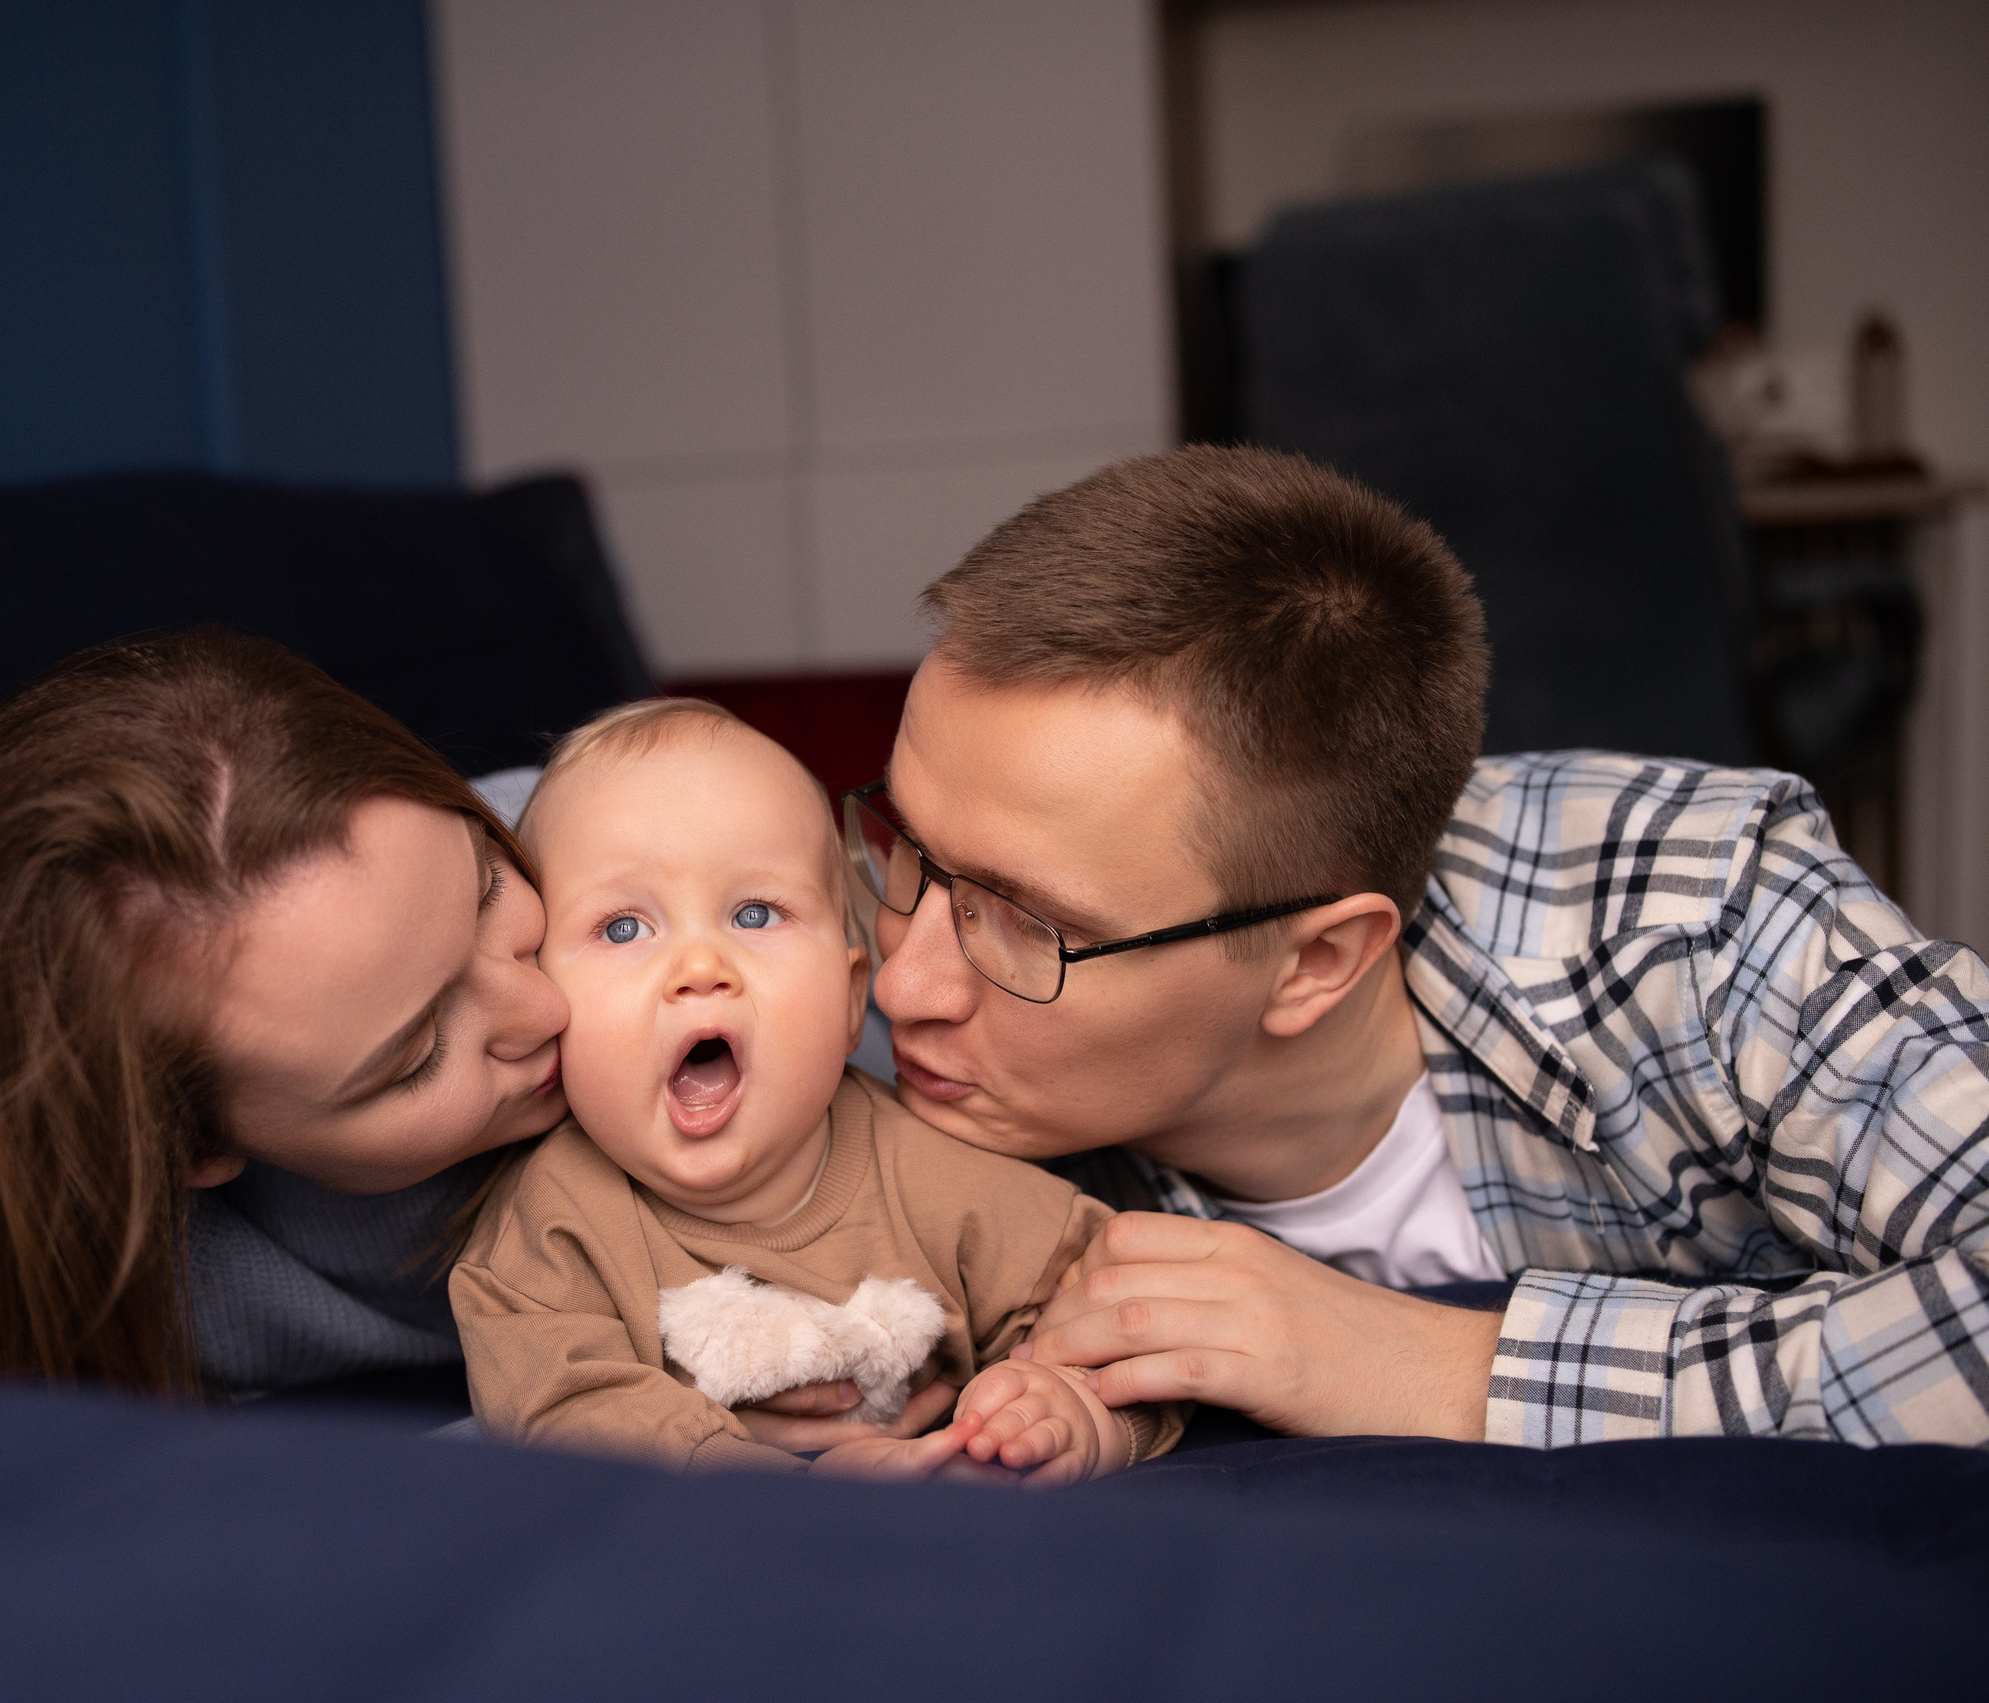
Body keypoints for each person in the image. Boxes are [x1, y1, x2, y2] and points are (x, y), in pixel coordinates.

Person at [760, 444, 1989, 1453]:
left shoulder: (1698, 920)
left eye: (1029, 924)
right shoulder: (842, 1003)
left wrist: (1452, 1367)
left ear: (1316, 962)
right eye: (902, 845)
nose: (903, 982)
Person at [0, 626, 571, 1393]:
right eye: (419, 1054)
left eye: (488, 888)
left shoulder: (613, 837)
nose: (546, 1006)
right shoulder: (122, 1299)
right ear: (195, 1148)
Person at [449, 700, 1180, 1480]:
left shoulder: (941, 1175)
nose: (700, 968)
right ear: (542, 1000)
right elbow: (558, 1411)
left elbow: (1118, 1315)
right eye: (623, 928)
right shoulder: (550, 1231)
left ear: (847, 996)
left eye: (755, 913)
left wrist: (1062, 1406)